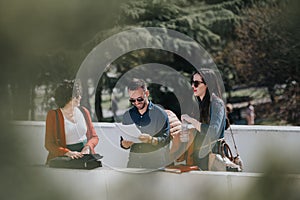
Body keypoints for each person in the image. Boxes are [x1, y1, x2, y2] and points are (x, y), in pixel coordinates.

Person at [181, 69, 227, 170]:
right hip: (201, 156)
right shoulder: (201, 104)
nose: (193, 86)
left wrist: (192, 121)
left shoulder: (216, 103)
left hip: (213, 156)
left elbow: (213, 131)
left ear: (208, 84)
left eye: (196, 83)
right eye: (192, 82)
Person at [45, 80, 99, 164]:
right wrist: (67, 153)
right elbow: (49, 144)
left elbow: (94, 137)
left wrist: (87, 147)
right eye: (76, 96)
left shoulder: (84, 111)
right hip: (64, 160)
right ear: (67, 98)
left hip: (84, 159)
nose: (80, 97)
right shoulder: (53, 115)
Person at [120, 78, 171, 168]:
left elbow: (165, 141)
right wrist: (124, 144)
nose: (136, 103)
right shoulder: (127, 115)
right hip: (134, 165)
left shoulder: (160, 114)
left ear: (146, 94)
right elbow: (122, 141)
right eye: (132, 100)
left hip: (155, 167)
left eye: (139, 99)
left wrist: (151, 140)